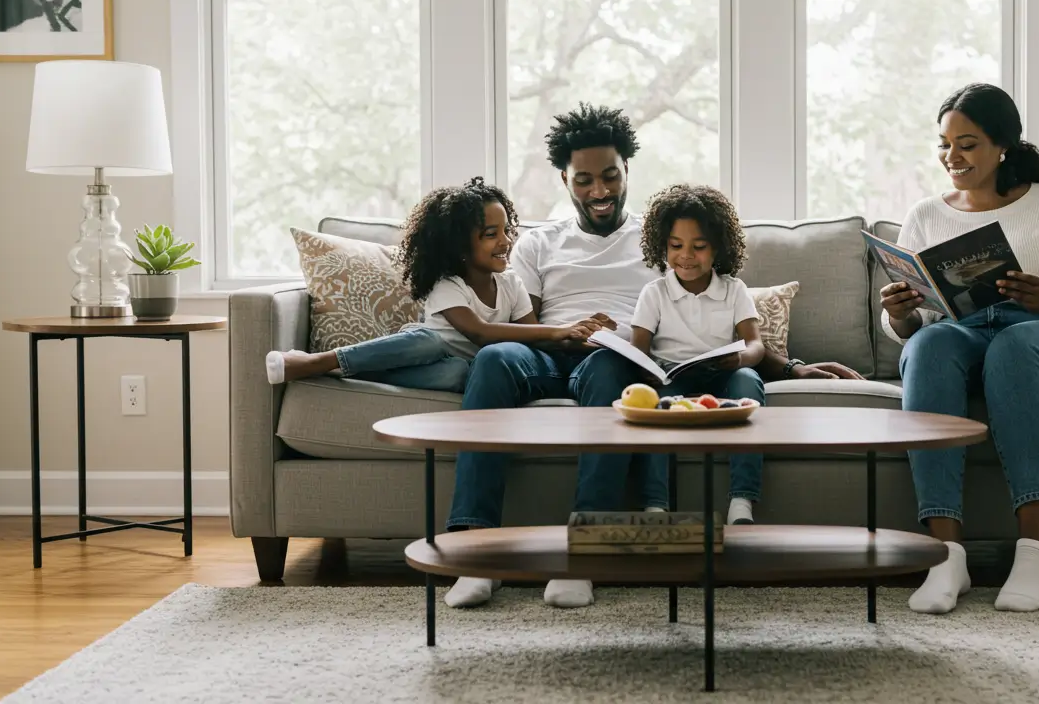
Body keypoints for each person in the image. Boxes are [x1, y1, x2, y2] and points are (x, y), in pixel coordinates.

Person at [445, 102, 864, 611]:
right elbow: (525, 325)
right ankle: (472, 549)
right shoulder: (539, 243)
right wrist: (566, 333)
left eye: (609, 176)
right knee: (493, 360)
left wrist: (792, 367)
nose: (598, 190)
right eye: (583, 180)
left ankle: (586, 554)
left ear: (626, 170)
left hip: (620, 361)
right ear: (564, 179)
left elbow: (718, 319)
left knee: (609, 368)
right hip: (551, 353)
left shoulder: (659, 239)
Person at [879, 83, 1039, 614]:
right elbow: (913, 324)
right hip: (963, 330)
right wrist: (900, 313)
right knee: (929, 346)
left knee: (1013, 344)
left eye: (967, 144)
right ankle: (946, 555)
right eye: (943, 144)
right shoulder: (925, 214)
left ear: (1002, 144)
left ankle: (1035, 551)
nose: (951, 157)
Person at [264, 178, 602, 389]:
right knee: (427, 340)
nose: (506, 241)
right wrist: (557, 329)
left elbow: (535, 338)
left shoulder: (511, 284)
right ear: (458, 245)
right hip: (419, 350)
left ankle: (347, 372)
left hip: (456, 367)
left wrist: (582, 341)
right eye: (490, 234)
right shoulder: (448, 283)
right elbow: (480, 333)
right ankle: (319, 361)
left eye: (507, 231)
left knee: (460, 374)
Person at [631, 183, 767, 526]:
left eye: (699, 247)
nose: (686, 256)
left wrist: (738, 360)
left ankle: (742, 502)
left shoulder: (734, 289)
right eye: (676, 246)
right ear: (661, 245)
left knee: (748, 382)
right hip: (669, 376)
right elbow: (638, 350)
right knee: (651, 407)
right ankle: (655, 506)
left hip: (722, 374)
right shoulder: (655, 293)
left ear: (718, 248)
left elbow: (755, 345)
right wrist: (647, 371)